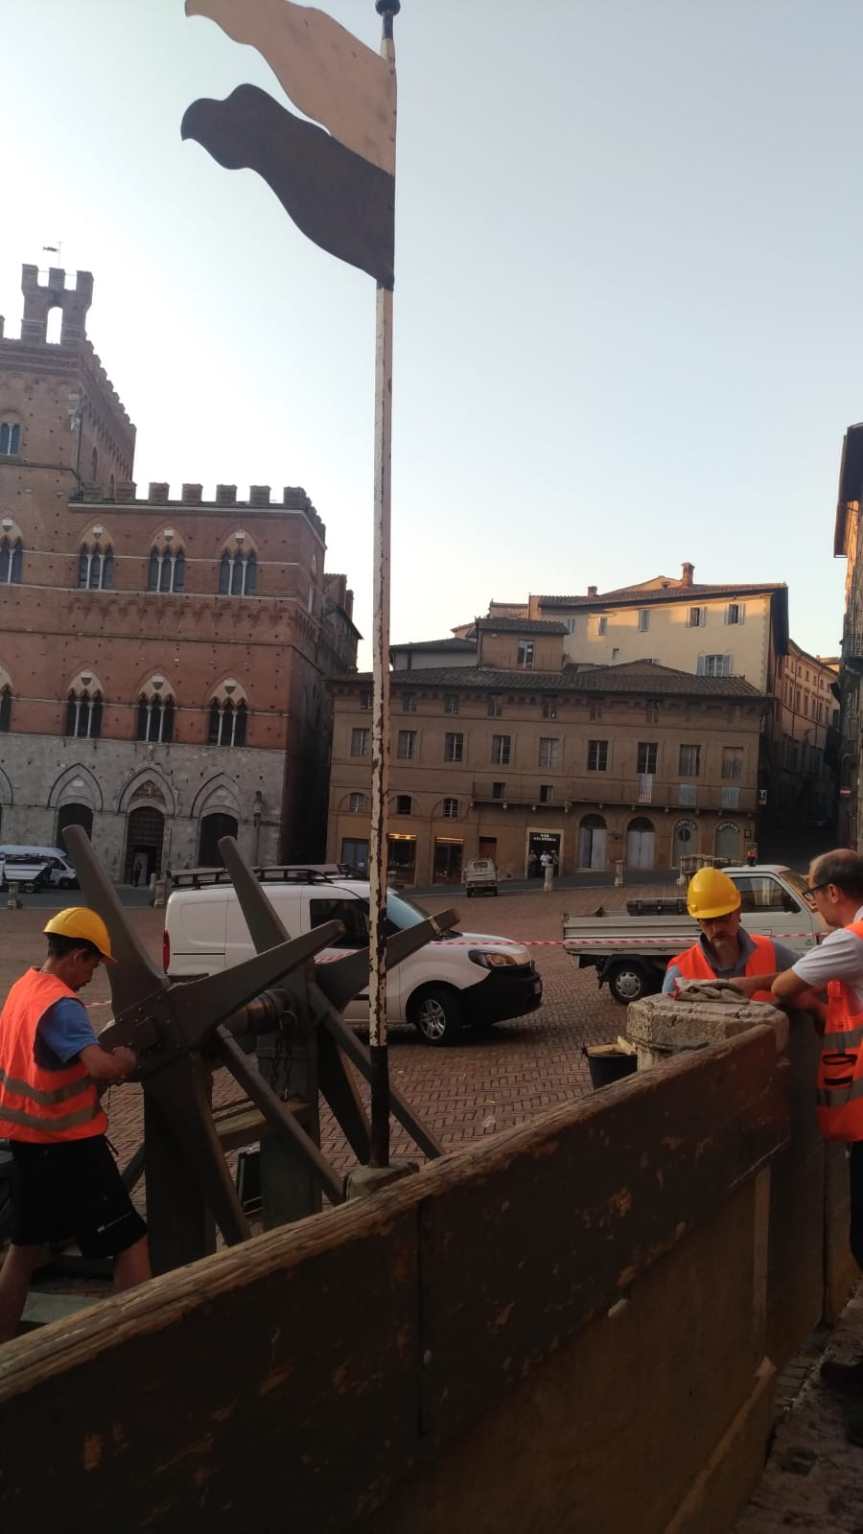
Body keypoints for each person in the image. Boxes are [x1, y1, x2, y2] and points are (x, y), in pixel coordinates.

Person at [0, 907, 150, 1343]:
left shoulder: (24, 989)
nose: (90, 977)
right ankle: (130, 1344)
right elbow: (100, 1066)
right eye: (93, 966)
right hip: (70, 1146)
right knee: (130, 1240)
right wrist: (124, 1061)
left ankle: (4, 1347)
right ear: (77, 956)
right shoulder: (62, 1005)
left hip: (26, 1143)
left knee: (24, 1250)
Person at [770, 849, 863, 1410]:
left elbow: (784, 985)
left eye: (811, 890)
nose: (810, 901)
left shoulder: (852, 940)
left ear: (833, 892)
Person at [663, 866, 797, 1002]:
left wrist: (757, 983)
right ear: (699, 922)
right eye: (708, 921)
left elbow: (809, 976)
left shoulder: (771, 952)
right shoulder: (680, 971)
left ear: (738, 912)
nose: (716, 929)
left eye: (723, 918)